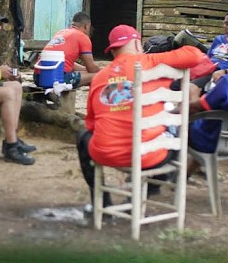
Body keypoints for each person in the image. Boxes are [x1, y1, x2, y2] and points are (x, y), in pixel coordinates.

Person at [76, 25, 206, 207]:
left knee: (83, 136)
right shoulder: (153, 61)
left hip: (107, 154)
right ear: (138, 44)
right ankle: (149, 189)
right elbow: (195, 55)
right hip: (149, 157)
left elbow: (91, 125)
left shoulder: (99, 77)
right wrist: (175, 42)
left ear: (113, 51)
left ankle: (102, 203)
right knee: (176, 129)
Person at [0, 8, 36, 165]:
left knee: (15, 85)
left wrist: (4, 72)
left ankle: (13, 139)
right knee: (8, 93)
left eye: (0, 24)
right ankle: (10, 147)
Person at [42, 11, 99, 85]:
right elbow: (92, 69)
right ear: (86, 26)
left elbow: (66, 63)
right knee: (99, 75)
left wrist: (84, 69)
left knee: (84, 73)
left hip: (39, 77)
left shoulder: (61, 33)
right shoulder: (83, 37)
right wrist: (103, 70)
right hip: (57, 79)